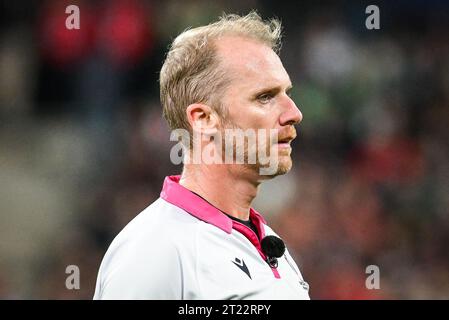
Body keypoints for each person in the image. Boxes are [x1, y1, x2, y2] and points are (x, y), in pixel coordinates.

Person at [93, 11, 309, 300]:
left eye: (287, 93)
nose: (294, 113)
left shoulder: (269, 243)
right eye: (265, 97)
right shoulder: (154, 251)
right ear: (204, 118)